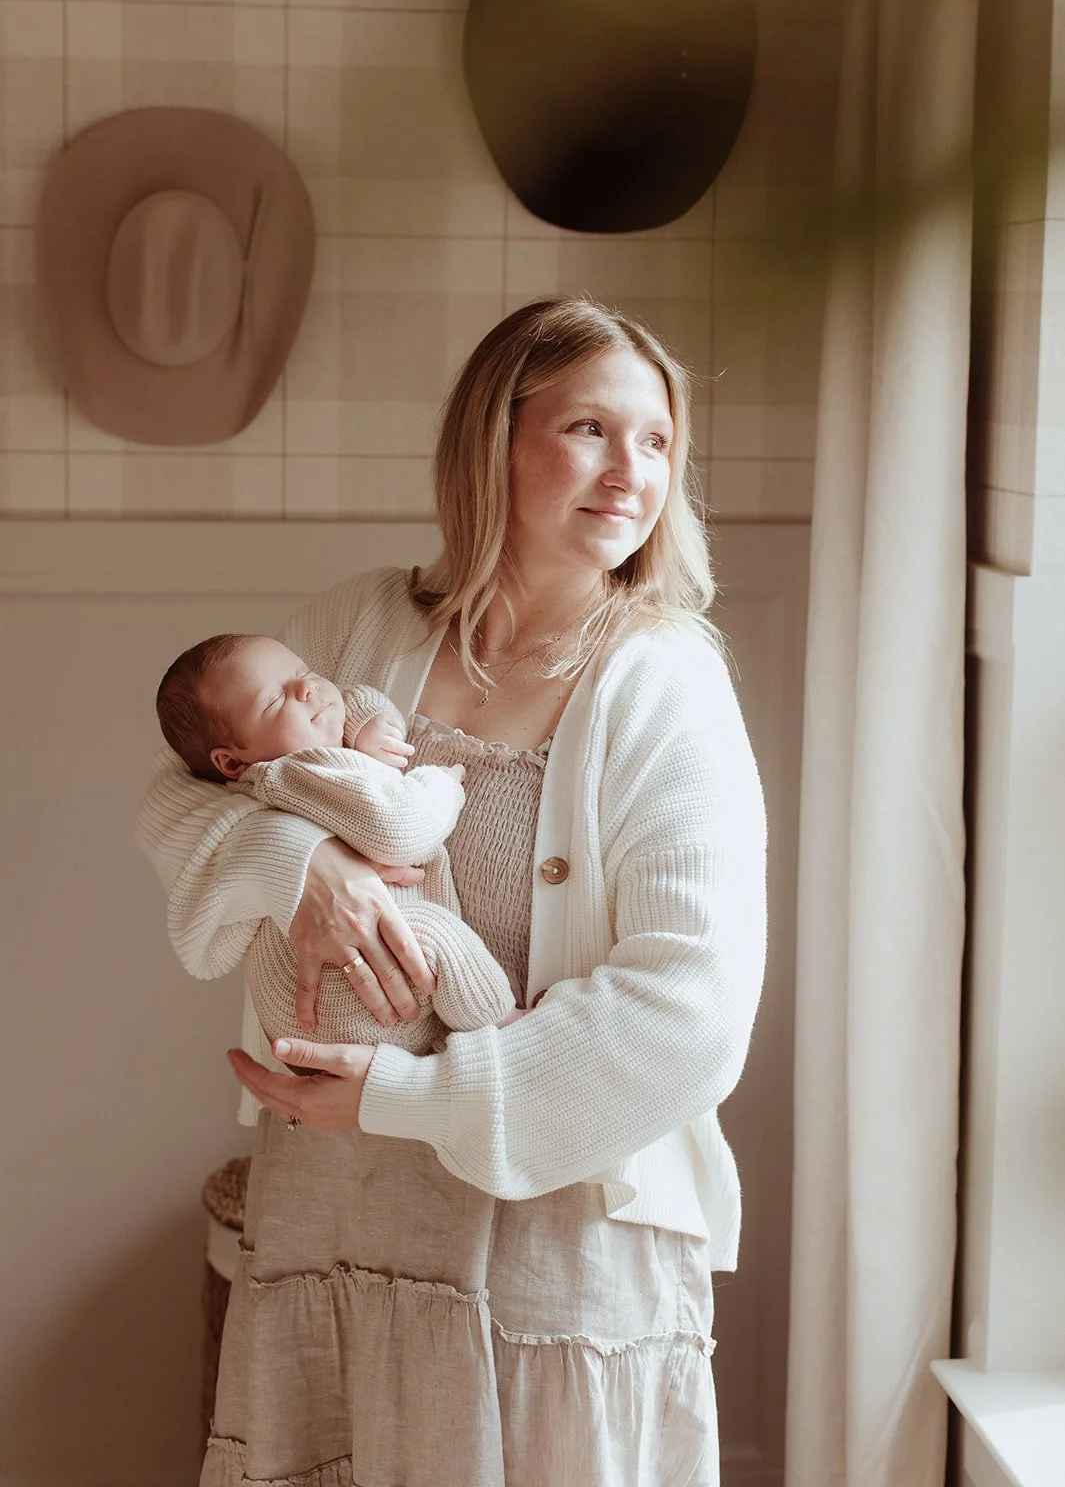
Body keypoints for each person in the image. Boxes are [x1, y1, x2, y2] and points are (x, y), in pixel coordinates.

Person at [136, 296, 767, 1487]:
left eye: (656, 439)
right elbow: (182, 797)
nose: (630, 471)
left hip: (558, 1240)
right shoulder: (358, 626)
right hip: (336, 1225)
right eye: (589, 428)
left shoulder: (666, 680)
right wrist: (303, 867)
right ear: (495, 440)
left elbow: (693, 1010)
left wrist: (405, 1094)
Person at [152, 631, 517, 1058]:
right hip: (353, 1001)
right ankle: (501, 1020)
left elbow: (348, 696)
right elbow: (401, 828)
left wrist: (365, 723)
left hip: (303, 1018)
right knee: (436, 935)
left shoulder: (275, 770)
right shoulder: (303, 770)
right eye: (275, 700)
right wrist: (442, 784)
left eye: (304, 671)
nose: (306, 688)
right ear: (232, 761)